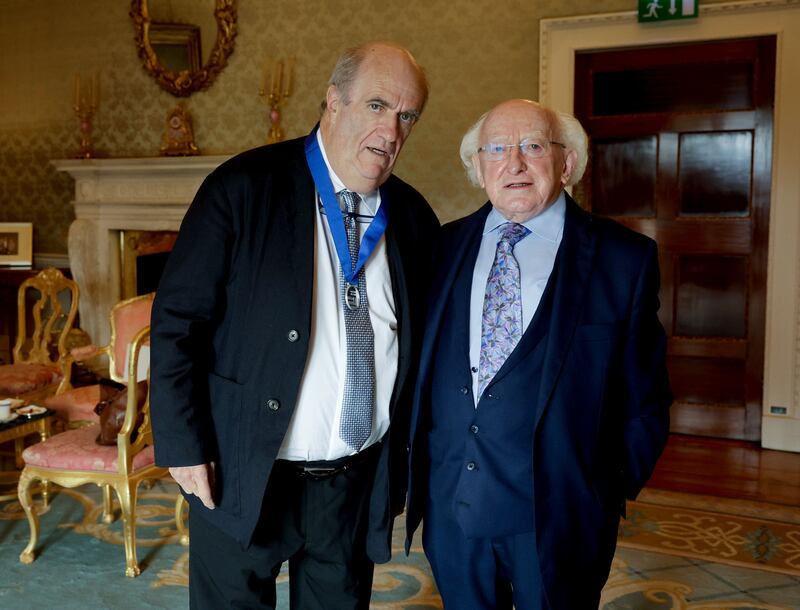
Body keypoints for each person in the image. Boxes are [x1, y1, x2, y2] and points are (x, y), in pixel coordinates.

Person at [150, 41, 439, 609]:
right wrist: (184, 447)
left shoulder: (411, 215)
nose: (392, 130)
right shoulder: (241, 188)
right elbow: (177, 322)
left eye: (407, 115)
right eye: (377, 105)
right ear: (333, 102)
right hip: (243, 468)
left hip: (352, 479)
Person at [405, 99, 672, 609]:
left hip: (560, 517)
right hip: (453, 507)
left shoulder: (623, 259)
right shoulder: (439, 249)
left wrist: (601, 491)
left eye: (532, 146)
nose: (514, 163)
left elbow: (646, 400)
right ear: (477, 167)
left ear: (567, 163)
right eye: (497, 149)